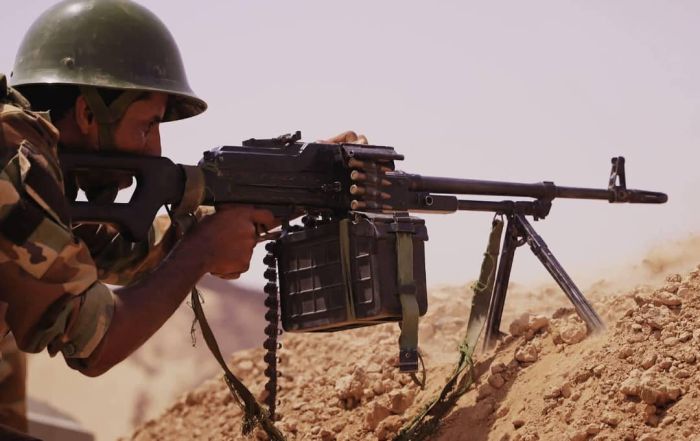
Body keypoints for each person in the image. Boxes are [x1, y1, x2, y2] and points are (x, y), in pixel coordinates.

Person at [0, 0, 366, 437]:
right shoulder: (14, 162)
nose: (156, 148)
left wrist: (296, 189)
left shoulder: (34, 166)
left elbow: (118, 252)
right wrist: (204, 249)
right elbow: (97, 343)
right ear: (88, 113)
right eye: (147, 125)